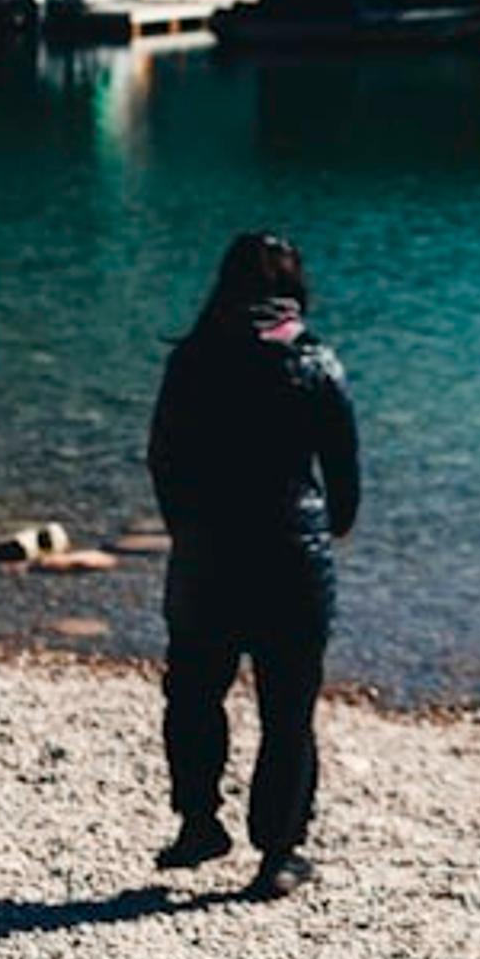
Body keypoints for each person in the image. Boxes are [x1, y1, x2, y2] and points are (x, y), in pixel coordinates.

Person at [147, 231, 361, 900]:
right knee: (287, 710)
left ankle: (198, 824)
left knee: (194, 695)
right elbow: (344, 473)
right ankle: (279, 854)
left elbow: (163, 459)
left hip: (207, 557)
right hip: (293, 557)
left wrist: (185, 530)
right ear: (295, 292)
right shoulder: (312, 360)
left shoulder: (193, 360)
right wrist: (333, 524)